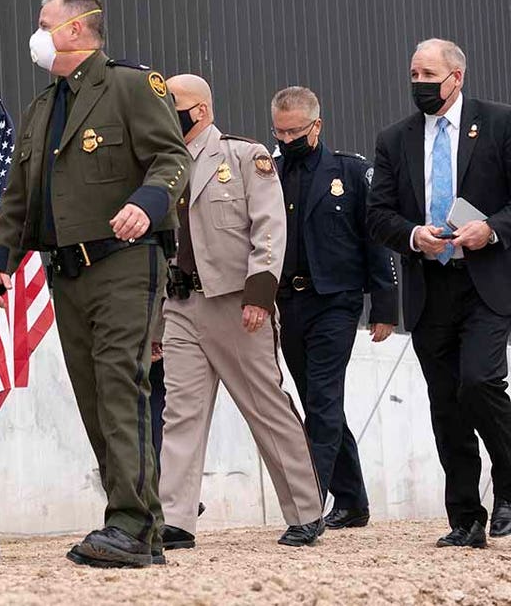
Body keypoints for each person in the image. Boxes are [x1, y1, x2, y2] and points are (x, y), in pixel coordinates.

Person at [0, 0, 191, 569]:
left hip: (124, 261)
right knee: (95, 398)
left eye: (44, 23)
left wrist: (149, 203)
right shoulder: (43, 108)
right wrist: (0, 261)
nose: (38, 33)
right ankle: (139, 527)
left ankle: (127, 522)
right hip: (66, 273)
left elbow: (172, 156)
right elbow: (21, 196)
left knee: (121, 386)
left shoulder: (130, 85)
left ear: (76, 29)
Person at [158, 74, 324, 549]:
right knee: (181, 413)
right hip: (181, 304)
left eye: (176, 104)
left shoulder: (244, 157)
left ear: (202, 111)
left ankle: (306, 510)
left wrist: (259, 294)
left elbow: (269, 229)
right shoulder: (160, 165)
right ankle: (176, 519)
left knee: (266, 407)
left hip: (236, 303)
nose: (168, 112)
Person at [368, 38, 511, 548]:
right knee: (446, 404)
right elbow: (378, 214)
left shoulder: (499, 122)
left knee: (479, 382)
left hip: (486, 282)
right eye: (413, 74)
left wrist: (490, 229)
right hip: (430, 287)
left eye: (429, 74)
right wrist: (413, 236)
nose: (419, 84)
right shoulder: (394, 139)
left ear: (457, 77)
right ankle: (466, 518)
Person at [270, 86, 399, 530]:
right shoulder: (270, 173)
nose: (287, 139)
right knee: (317, 401)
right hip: (289, 303)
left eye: (295, 131)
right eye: (279, 131)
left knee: (323, 400)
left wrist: (385, 307)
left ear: (316, 125)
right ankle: (352, 500)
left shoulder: (350, 170)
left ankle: (310, 507)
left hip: (336, 303)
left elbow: (375, 239)